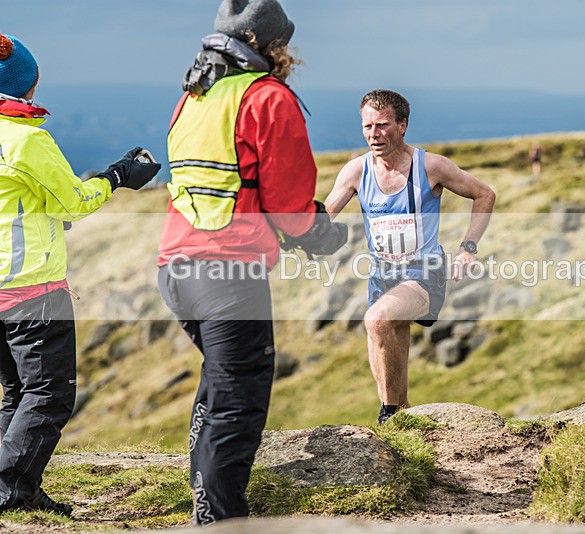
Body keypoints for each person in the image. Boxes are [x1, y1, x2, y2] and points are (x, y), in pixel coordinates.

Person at [156, 0, 346, 525]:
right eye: (285, 42)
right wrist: (323, 232)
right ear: (269, 45)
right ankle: (221, 521)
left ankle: (206, 505)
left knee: (221, 384)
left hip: (175, 266)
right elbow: (290, 207)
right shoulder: (267, 98)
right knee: (239, 398)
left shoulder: (194, 95)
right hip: (228, 272)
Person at [0, 33, 160, 515]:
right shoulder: (25, 139)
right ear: (26, 83)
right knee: (49, 396)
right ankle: (9, 490)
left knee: (17, 394)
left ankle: (20, 487)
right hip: (31, 288)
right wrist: (116, 176)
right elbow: (71, 202)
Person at [324, 89, 496, 425]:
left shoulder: (430, 166)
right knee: (386, 341)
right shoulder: (356, 171)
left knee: (376, 320)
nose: (374, 134)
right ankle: (400, 418)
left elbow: (484, 194)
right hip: (381, 277)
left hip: (424, 274)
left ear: (402, 125)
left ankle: (388, 417)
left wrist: (468, 248)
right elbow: (325, 215)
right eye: (368, 126)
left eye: (382, 125)